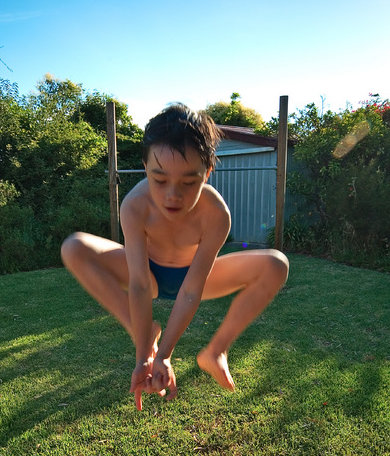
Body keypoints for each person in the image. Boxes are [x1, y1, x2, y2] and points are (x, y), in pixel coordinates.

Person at [61, 104, 289, 410]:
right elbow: (140, 286)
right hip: (146, 275)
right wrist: (145, 355)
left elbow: (193, 289)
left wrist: (166, 355)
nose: (172, 195)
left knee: (275, 265)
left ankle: (215, 352)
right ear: (145, 168)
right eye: (160, 179)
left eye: (188, 182)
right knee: (74, 247)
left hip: (196, 277)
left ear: (207, 174)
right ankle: (143, 335)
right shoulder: (134, 206)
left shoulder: (216, 214)